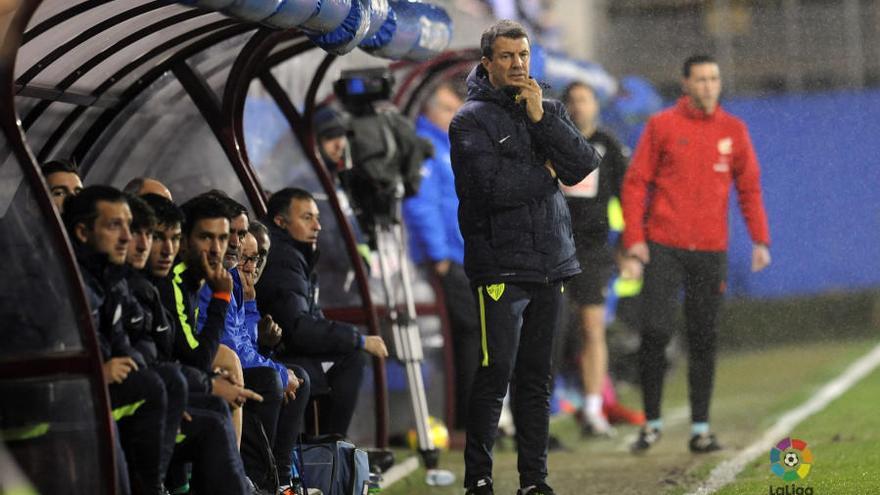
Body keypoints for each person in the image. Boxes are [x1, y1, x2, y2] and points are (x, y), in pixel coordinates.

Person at [448, 19, 599, 495]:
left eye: (524, 55)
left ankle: (534, 481)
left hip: (550, 263)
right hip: (500, 266)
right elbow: (489, 189)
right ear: (488, 62)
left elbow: (583, 165)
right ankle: (479, 478)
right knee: (496, 374)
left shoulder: (546, 108)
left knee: (536, 381)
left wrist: (542, 120)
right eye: (508, 56)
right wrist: (546, 173)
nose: (518, 64)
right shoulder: (468, 119)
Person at [622, 54, 771, 454]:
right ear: (685, 83)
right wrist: (635, 238)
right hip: (663, 247)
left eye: (714, 79)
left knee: (704, 338)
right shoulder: (662, 126)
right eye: (701, 79)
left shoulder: (734, 130)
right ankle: (651, 422)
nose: (708, 85)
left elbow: (750, 188)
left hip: (710, 251)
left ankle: (700, 429)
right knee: (654, 333)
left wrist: (760, 240)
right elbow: (636, 184)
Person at [62, 186, 175, 495]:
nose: (128, 237)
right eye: (116, 226)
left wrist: (126, 362)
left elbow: (128, 342)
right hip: (58, 406)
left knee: (166, 384)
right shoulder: (66, 282)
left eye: (131, 226)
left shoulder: (110, 277)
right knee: (153, 387)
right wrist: (99, 371)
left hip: (93, 393)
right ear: (83, 232)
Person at [256, 188, 388, 437]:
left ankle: (327, 450)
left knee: (345, 355)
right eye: (307, 218)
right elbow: (298, 329)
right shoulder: (282, 259)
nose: (317, 225)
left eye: (317, 217)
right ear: (280, 221)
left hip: (280, 352)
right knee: (351, 358)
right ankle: (329, 449)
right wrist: (357, 338)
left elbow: (311, 318)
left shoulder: (296, 255)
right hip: (274, 356)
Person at [559, 81, 635, 437]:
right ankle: (544, 407)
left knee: (592, 328)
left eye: (584, 100)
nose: (578, 107)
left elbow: (630, 198)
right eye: (572, 100)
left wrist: (629, 246)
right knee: (551, 331)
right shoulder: (552, 141)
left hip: (592, 250)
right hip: (553, 250)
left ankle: (593, 408)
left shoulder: (608, 146)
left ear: (595, 105)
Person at [401, 82, 478, 431]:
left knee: (474, 333)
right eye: (448, 108)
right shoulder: (425, 146)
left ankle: (472, 414)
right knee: (467, 333)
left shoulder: (448, 144)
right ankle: (464, 417)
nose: (455, 114)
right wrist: (437, 254)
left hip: (463, 253)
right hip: (447, 257)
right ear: (429, 110)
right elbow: (421, 205)